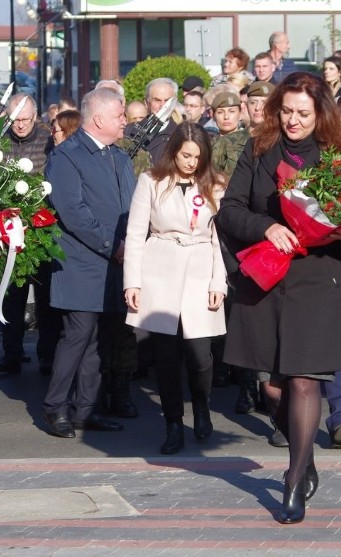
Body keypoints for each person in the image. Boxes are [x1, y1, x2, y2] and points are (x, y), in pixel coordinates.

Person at [217, 72, 341, 523]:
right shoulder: (258, 150)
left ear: (321, 115)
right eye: (287, 111)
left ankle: (293, 479)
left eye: (303, 113)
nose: (293, 121)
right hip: (267, 274)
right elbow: (230, 210)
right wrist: (268, 226)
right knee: (273, 386)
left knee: (304, 380)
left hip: (317, 280)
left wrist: (338, 225)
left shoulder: (338, 156)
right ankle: (305, 452)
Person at [123, 123, 227, 454]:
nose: (191, 162)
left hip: (200, 269)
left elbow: (218, 240)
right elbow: (136, 234)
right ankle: (172, 423)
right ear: (174, 151)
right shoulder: (151, 182)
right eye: (185, 155)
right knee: (165, 357)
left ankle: (201, 403)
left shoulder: (215, 184)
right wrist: (133, 282)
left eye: (197, 157)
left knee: (200, 357)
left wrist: (218, 282)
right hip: (160, 270)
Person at [42, 87, 135, 439]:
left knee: (100, 340)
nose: (124, 120)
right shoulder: (66, 156)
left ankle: (86, 408)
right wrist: (113, 245)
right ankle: (55, 408)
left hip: (116, 262)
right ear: (98, 119)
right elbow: (73, 212)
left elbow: (132, 204)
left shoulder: (119, 156)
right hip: (83, 263)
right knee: (77, 336)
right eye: (119, 115)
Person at [0, 94, 57, 380]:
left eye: (25, 120)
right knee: (11, 294)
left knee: (45, 297)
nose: (20, 125)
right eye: (15, 120)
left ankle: (47, 354)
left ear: (35, 117)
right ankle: (12, 352)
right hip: (9, 228)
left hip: (41, 227)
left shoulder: (47, 140)